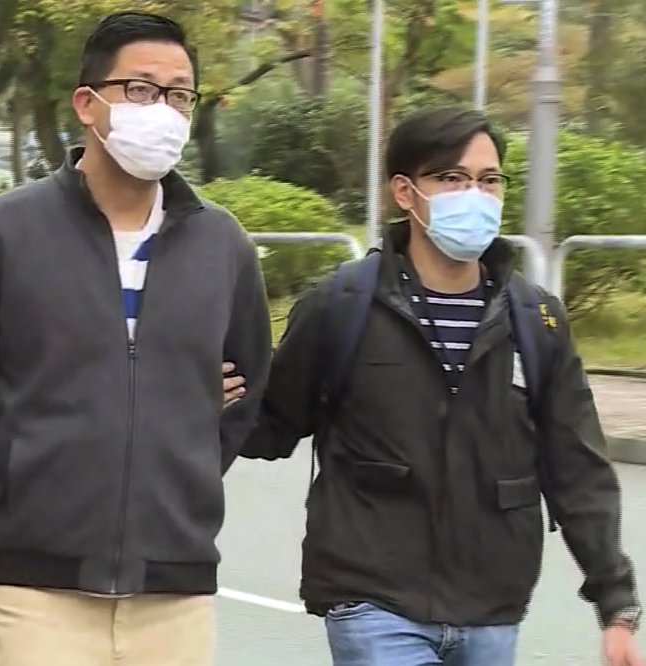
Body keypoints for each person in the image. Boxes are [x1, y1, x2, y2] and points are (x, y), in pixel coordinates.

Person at [0, 11, 272, 666]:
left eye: (179, 94)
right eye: (141, 89)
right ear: (88, 102)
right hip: (33, 587)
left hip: (175, 586)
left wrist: (174, 475)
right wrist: (9, 507)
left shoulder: (223, 245)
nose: (162, 109)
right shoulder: (1, 234)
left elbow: (244, 391)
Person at [235, 107, 643, 666]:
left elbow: (577, 465)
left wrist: (615, 602)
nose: (475, 194)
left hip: (492, 604)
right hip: (373, 597)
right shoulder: (341, 306)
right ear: (405, 192)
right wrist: (208, 388)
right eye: (452, 178)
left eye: (489, 180)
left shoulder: (535, 318)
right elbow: (272, 426)